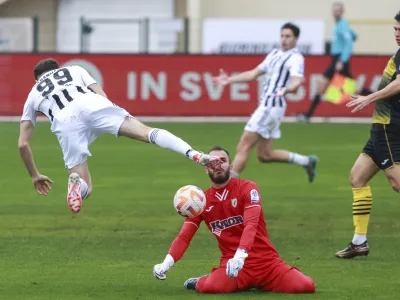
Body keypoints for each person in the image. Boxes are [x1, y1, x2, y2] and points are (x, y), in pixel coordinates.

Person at [18, 58, 222, 213]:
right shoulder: (74, 70)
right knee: (145, 132)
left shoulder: (33, 93)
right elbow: (102, 96)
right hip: (92, 104)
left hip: (64, 121)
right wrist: (108, 120)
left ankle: (76, 183)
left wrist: (35, 175)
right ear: (58, 68)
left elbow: (22, 145)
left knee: (86, 188)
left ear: (37, 79)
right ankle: (195, 155)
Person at [153, 146, 315, 294]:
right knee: (210, 287)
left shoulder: (247, 188)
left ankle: (277, 277)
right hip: (232, 268)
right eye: (212, 161)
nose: (217, 164)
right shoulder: (200, 201)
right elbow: (184, 237)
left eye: (222, 161)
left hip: (266, 263)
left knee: (306, 286)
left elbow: (251, 225)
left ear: (231, 168)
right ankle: (200, 281)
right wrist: (165, 264)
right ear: (206, 169)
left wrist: (239, 257)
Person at [212, 23, 318, 182]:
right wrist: (229, 80)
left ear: (296, 39)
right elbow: (253, 73)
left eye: (288, 36)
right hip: (270, 107)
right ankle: (306, 161)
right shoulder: (275, 53)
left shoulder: (295, 58)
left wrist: (288, 89)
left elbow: (297, 81)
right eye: (282, 36)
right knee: (265, 155)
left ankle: (227, 187)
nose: (284, 39)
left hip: (271, 105)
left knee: (244, 145)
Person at [335, 11, 400, 259]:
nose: (396, 33)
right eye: (395, 29)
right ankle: (359, 242)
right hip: (380, 128)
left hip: (388, 127)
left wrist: (368, 98)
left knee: (397, 183)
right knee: (357, 177)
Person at [298, 2, 357, 122]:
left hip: (340, 59)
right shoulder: (340, 25)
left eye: (338, 10)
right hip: (337, 59)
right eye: (335, 10)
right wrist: (352, 35)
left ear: (342, 12)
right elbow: (354, 37)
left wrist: (342, 60)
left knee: (323, 85)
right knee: (352, 90)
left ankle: (308, 116)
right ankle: (308, 115)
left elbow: (349, 43)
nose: (336, 12)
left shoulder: (342, 25)